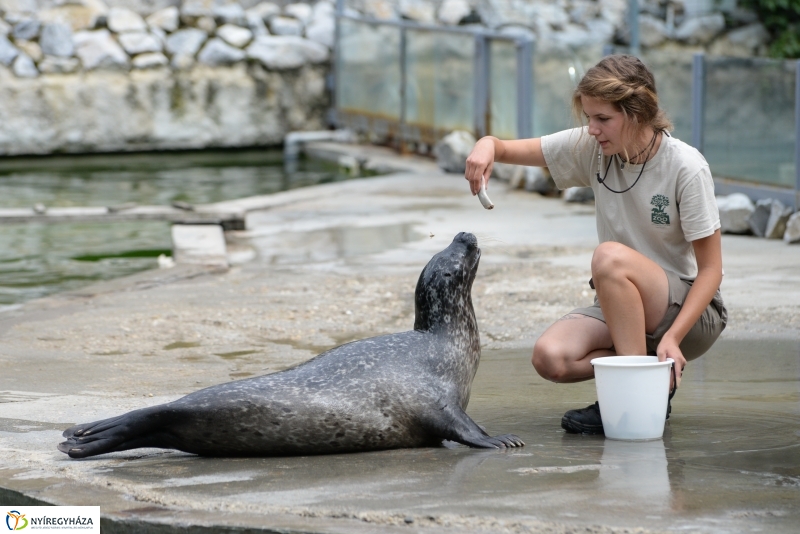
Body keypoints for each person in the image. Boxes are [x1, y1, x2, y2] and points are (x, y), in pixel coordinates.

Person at [464, 54, 727, 434]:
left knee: (609, 258)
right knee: (550, 357)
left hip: (689, 314)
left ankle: (632, 397)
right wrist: (487, 145)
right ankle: (648, 377)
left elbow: (712, 270)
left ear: (637, 113)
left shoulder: (686, 167)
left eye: (603, 118)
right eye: (589, 117)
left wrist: (672, 337)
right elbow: (505, 149)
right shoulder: (594, 149)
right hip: (622, 303)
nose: (592, 129)